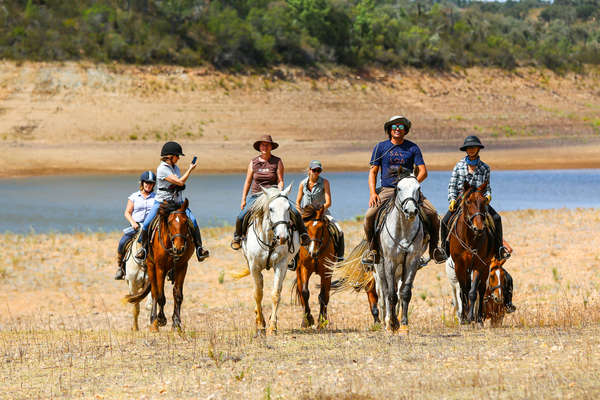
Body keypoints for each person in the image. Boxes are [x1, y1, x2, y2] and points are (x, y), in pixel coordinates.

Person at [362, 115, 444, 265]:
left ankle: (434, 249)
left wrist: (411, 185)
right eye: (394, 127)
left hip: (409, 191)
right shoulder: (381, 147)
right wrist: (373, 193)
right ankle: (372, 251)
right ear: (389, 130)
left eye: (400, 127)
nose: (397, 129)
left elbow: (423, 171)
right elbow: (373, 172)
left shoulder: (412, 147)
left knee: (433, 214)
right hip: (387, 189)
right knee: (369, 216)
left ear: (405, 130)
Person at [231, 134, 309, 250]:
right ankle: (237, 238)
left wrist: (280, 190)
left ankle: (303, 235)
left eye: (267, 145)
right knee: (241, 216)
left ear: (271, 147)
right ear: (259, 147)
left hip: (273, 194)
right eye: (262, 145)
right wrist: (243, 199)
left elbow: (280, 180)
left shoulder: (277, 161)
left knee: (295, 212)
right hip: (256, 196)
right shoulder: (253, 162)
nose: (265, 147)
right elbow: (248, 182)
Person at [134, 141, 209, 263]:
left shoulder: (176, 168)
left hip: (178, 203)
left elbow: (178, 184)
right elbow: (180, 182)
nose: (178, 158)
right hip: (162, 203)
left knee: (193, 221)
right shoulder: (162, 169)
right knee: (147, 223)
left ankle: (199, 249)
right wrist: (190, 169)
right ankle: (143, 249)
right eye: (177, 156)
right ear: (170, 156)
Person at [439, 135, 510, 262]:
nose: (471, 149)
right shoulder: (458, 166)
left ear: (478, 149)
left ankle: (499, 249)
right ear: (465, 150)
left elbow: (487, 187)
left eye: (473, 147)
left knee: (497, 219)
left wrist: (488, 195)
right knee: (444, 221)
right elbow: (452, 185)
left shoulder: (485, 168)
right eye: (469, 148)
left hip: (479, 201)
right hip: (462, 200)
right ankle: (444, 250)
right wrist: (452, 200)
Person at [295, 160, 345, 261]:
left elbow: (328, 202)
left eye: (319, 170)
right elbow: (297, 202)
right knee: (292, 230)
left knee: (339, 230)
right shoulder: (302, 183)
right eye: (314, 170)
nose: (316, 172)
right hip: (306, 215)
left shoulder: (325, 182)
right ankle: (293, 259)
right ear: (309, 170)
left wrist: (319, 211)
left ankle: (339, 257)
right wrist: (300, 212)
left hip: (322, 213)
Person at [114, 171, 156, 280]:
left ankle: (169, 270)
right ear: (142, 183)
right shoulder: (134, 196)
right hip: (136, 226)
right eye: (146, 182)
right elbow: (127, 212)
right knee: (122, 242)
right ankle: (121, 268)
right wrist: (133, 222)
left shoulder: (156, 198)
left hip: (151, 228)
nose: (148, 185)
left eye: (151, 183)